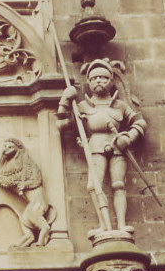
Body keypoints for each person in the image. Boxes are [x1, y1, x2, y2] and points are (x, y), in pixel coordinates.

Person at [56, 58, 146, 233]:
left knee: (118, 184)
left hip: (118, 146)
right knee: (93, 185)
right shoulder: (82, 106)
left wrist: (129, 137)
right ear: (89, 82)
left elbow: (140, 122)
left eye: (103, 78)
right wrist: (64, 101)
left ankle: (121, 225)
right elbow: (61, 125)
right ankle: (103, 225)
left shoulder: (120, 105)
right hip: (95, 146)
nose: (99, 81)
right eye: (95, 78)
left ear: (111, 81)